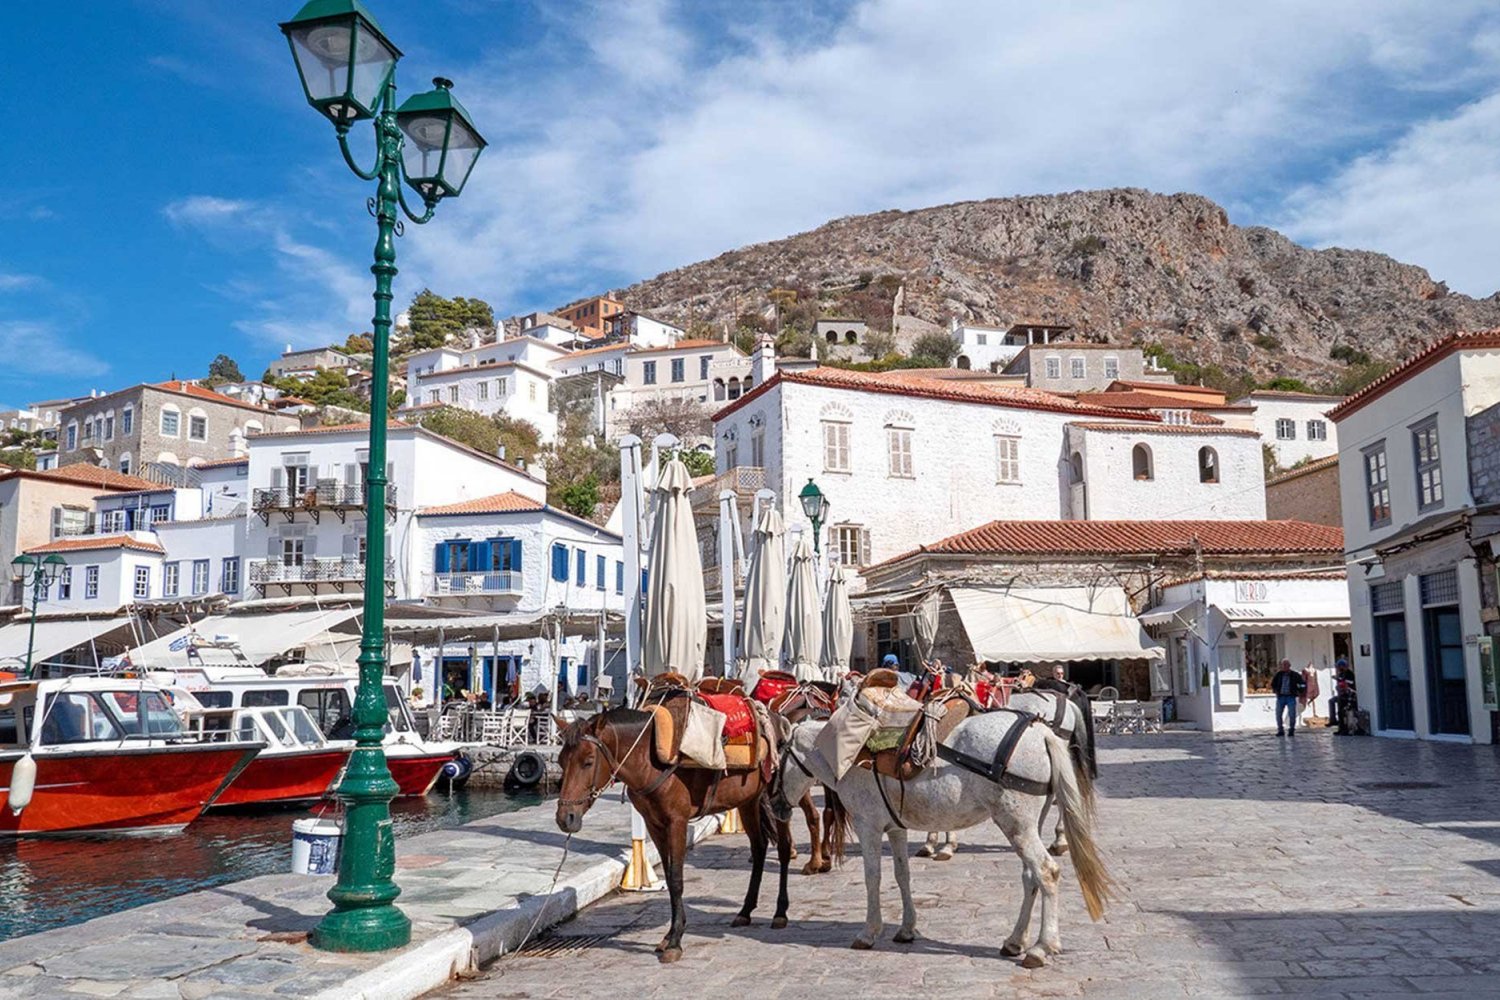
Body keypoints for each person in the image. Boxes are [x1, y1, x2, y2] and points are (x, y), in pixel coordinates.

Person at [1271, 659, 1306, 737]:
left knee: (1292, 714)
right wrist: (1276, 691)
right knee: (1278, 714)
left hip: (1291, 696)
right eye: (1283, 665)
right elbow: (1273, 684)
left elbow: (1302, 684)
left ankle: (1291, 729)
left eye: (1286, 665)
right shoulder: (1278, 675)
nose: (1284, 667)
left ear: (1289, 666)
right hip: (1281, 697)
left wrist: (1300, 691)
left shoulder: (1295, 675)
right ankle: (1280, 730)